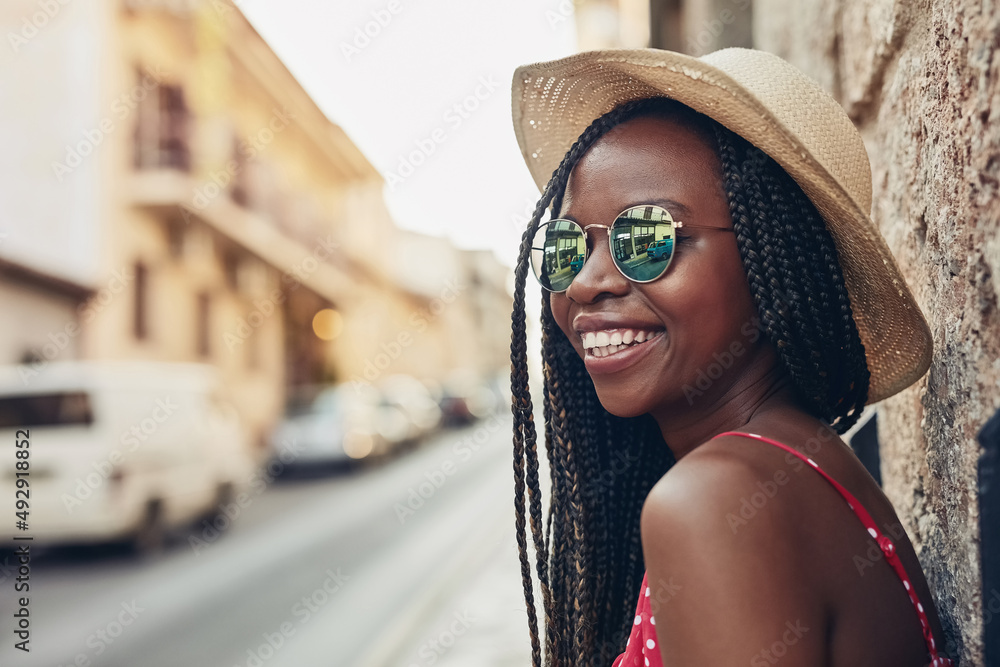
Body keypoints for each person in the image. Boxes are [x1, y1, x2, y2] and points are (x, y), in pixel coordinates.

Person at [507, 47, 954, 666]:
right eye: (565, 247)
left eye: (648, 237)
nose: (585, 282)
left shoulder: (714, 502)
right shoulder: (795, 465)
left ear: (777, 263)